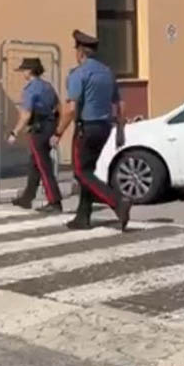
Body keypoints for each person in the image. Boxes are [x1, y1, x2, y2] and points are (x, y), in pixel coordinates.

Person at [53, 30, 132, 231]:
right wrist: (121, 129)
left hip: (86, 129)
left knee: (81, 172)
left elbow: (71, 109)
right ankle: (83, 216)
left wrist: (58, 133)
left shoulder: (79, 74)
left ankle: (117, 201)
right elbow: (120, 103)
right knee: (89, 171)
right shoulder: (107, 72)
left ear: (80, 52)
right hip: (105, 128)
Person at [6, 57, 63, 212]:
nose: (23, 73)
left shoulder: (30, 89)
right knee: (35, 164)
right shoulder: (47, 86)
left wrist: (14, 132)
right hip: (50, 126)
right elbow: (59, 108)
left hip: (38, 130)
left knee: (43, 165)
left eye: (24, 70)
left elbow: (26, 115)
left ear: (30, 71)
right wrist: (57, 130)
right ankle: (27, 197)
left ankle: (55, 201)